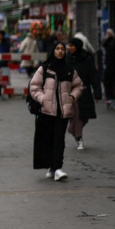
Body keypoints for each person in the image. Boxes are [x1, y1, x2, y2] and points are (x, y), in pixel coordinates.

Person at [29, 41, 83, 181]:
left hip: (63, 112)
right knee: (48, 139)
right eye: (57, 49)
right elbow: (34, 86)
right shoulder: (45, 68)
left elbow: (79, 86)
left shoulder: (70, 70)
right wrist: (43, 99)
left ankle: (58, 167)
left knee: (59, 139)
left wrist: (72, 97)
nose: (60, 51)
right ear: (53, 51)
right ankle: (51, 167)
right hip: (47, 111)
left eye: (62, 49)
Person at [66, 38, 98, 150]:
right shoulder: (67, 59)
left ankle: (72, 130)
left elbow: (93, 75)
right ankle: (79, 137)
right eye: (69, 45)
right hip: (71, 93)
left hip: (85, 91)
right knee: (76, 115)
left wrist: (97, 91)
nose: (69, 48)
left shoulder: (87, 59)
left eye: (72, 46)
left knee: (84, 116)